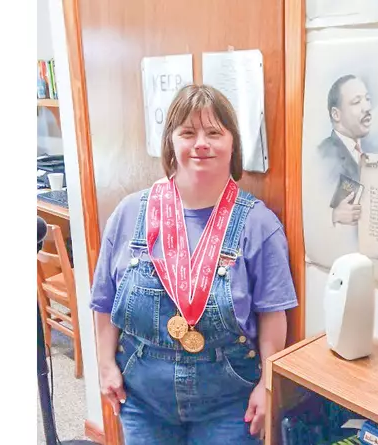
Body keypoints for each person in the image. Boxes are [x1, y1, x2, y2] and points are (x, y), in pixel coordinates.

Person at [89, 84, 298, 444]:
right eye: (188, 133)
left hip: (229, 403)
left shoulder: (259, 224)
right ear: (170, 142)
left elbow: (272, 314)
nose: (201, 143)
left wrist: (268, 385)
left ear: (233, 144)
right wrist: (106, 365)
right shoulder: (130, 213)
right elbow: (104, 301)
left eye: (214, 133)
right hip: (142, 398)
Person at [316, 74, 373, 227]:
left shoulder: (371, 152)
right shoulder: (322, 158)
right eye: (356, 102)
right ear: (336, 114)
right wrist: (333, 216)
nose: (367, 108)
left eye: (367, 99)